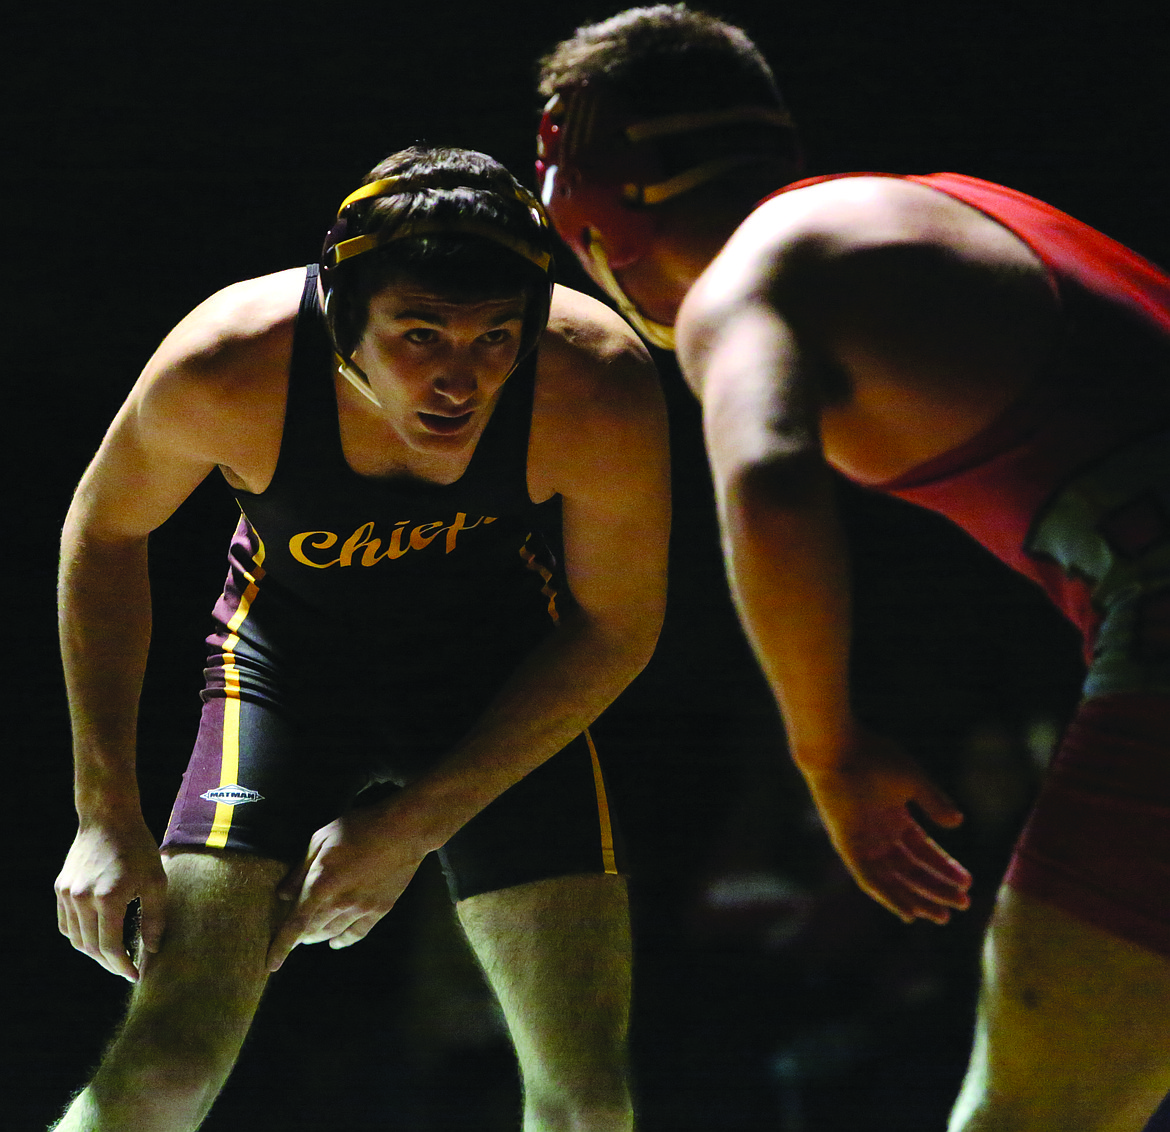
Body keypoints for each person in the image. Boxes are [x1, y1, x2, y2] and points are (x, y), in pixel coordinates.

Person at [536, 7, 1170, 1130]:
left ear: (585, 205)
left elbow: (771, 482)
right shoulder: (940, 207)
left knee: (1033, 1114)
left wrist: (827, 753)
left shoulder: (754, 278)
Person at [52, 145, 669, 1132]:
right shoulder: (230, 362)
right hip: (284, 666)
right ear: (344, 323)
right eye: (421, 335)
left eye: (494, 337)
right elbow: (105, 528)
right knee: (165, 1065)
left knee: (589, 1098)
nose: (459, 381)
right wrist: (103, 811)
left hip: (492, 675)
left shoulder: (594, 383)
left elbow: (618, 627)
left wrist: (413, 826)